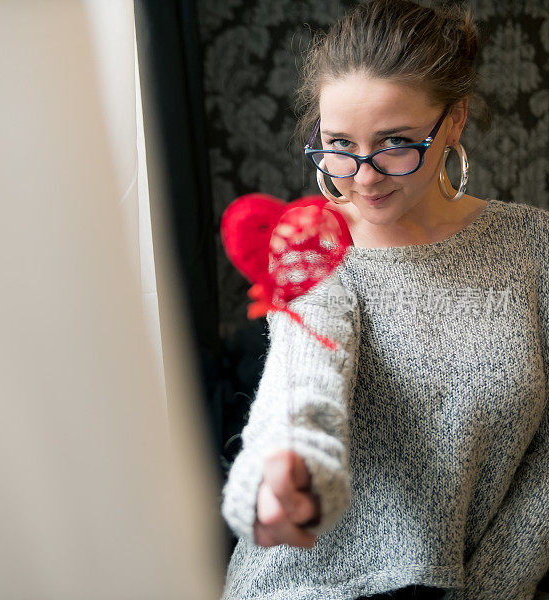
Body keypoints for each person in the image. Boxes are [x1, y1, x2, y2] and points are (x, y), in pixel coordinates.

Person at [219, 1, 549, 599]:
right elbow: (305, 379)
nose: (362, 176)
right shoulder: (313, 245)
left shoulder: (533, 246)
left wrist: (495, 587)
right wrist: (284, 471)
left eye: (395, 143)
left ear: (455, 120)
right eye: (339, 143)